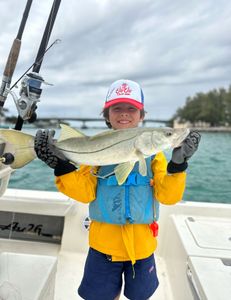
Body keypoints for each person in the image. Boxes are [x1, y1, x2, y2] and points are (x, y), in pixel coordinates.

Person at [34, 79, 201, 300]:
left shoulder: (155, 157)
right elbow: (85, 193)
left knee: (139, 296)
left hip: (142, 249)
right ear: (107, 115)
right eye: (117, 108)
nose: (124, 114)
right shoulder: (97, 150)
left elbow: (168, 197)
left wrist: (178, 166)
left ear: (141, 116)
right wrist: (62, 166)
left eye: (131, 109)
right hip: (103, 247)